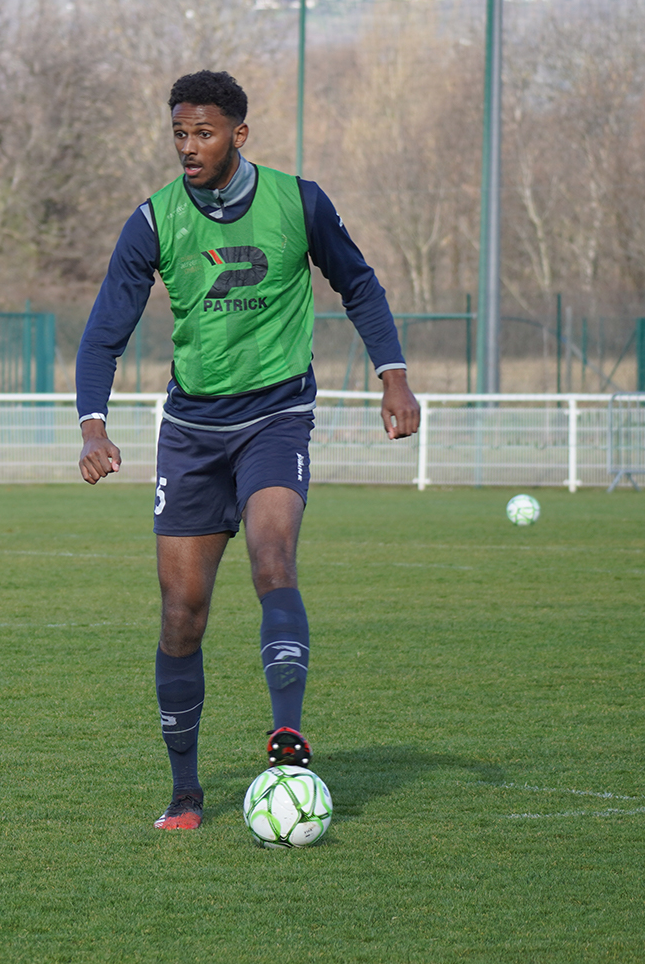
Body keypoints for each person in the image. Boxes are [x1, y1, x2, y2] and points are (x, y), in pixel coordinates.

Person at [75, 71, 420, 830]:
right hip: (193, 433)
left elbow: (359, 286)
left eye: (203, 133)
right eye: (179, 134)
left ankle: (287, 737)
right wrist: (92, 426)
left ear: (239, 133)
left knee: (272, 558)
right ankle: (185, 793)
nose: (188, 147)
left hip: (276, 416)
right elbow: (106, 329)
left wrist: (393, 379)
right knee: (182, 614)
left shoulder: (300, 202)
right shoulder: (154, 221)